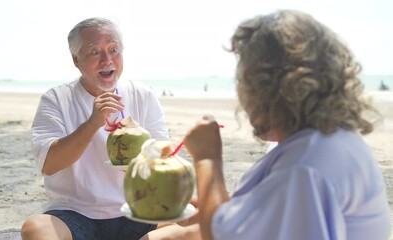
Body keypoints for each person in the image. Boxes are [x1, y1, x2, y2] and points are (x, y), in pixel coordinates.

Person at [181, 9, 391, 240]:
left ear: (265, 89)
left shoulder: (304, 166)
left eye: (243, 79)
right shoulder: (331, 139)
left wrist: (207, 158)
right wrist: (228, 205)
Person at [21, 18, 169, 240]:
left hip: (137, 208)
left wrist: (145, 165)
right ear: (76, 60)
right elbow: (49, 164)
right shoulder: (56, 99)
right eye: (95, 52)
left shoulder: (143, 95)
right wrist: (92, 123)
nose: (107, 60)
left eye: (113, 49)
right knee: (35, 230)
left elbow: (163, 155)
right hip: (75, 213)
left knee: (202, 212)